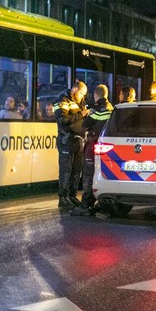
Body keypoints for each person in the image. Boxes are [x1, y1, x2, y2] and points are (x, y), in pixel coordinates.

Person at [71, 84, 113, 216]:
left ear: (96, 95)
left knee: (88, 175)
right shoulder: (112, 108)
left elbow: (84, 125)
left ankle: (86, 205)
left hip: (93, 146)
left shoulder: (96, 110)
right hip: (107, 148)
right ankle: (103, 203)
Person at [54, 81, 89, 208]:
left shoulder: (81, 102)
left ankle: (72, 196)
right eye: (81, 94)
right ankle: (62, 198)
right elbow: (63, 120)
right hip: (66, 139)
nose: (82, 97)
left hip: (78, 140)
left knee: (76, 170)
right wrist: (81, 114)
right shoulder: (62, 100)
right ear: (74, 90)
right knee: (66, 170)